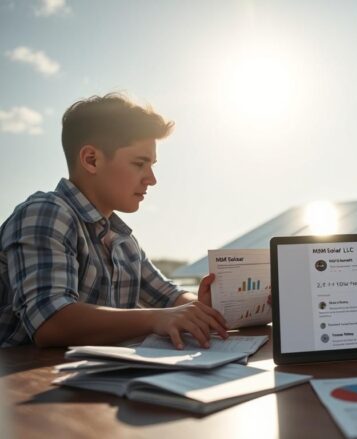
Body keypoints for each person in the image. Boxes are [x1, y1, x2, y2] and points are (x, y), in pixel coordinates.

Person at [0, 93, 228, 348]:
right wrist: (156, 318)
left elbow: (171, 298)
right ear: (91, 160)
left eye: (152, 165)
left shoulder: (123, 241)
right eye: (140, 163)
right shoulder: (46, 213)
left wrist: (206, 307)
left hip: (95, 378)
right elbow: (50, 321)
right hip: (24, 382)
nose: (152, 179)